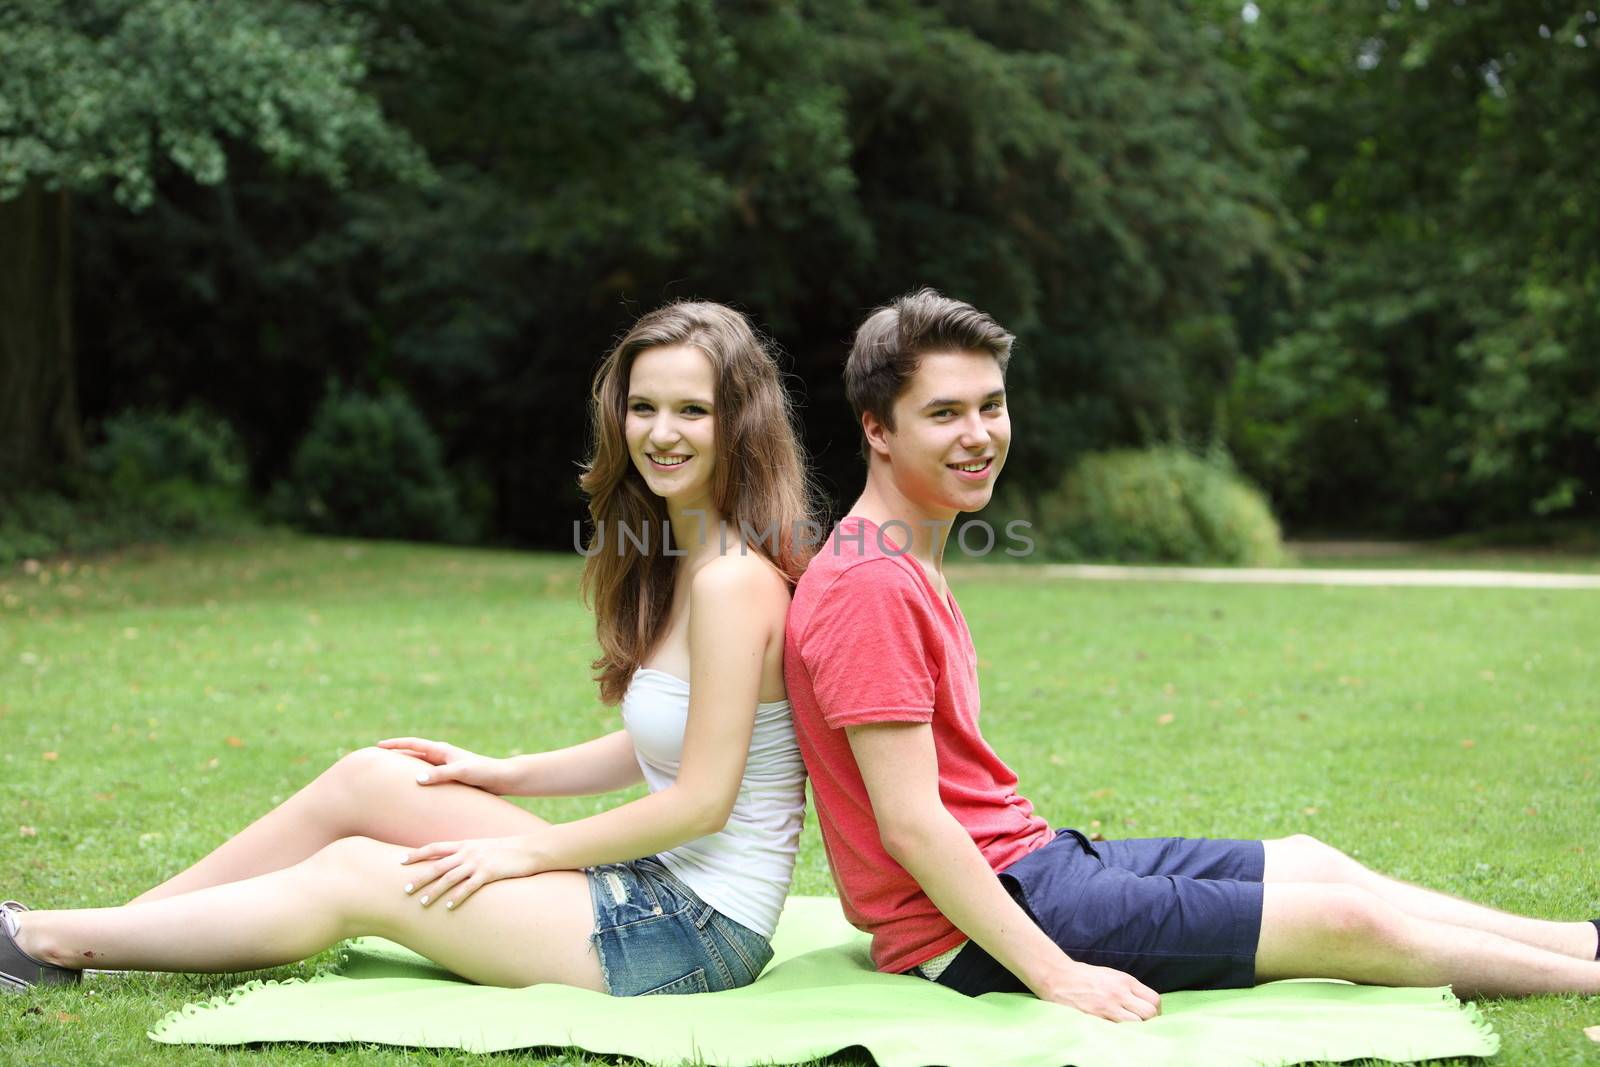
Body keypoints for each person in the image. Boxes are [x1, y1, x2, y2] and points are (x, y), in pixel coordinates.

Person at [782, 288, 1600, 1023]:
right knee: (1347, 924)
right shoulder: (870, 584)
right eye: (945, 413)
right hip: (971, 926)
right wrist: (1058, 974)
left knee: (1314, 861)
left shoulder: (897, 556)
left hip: (1032, 862)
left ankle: (1582, 939)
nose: (979, 435)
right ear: (877, 429)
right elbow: (913, 825)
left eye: (991, 406)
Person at [2, 301, 813, 998]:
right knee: (377, 776)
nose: (660, 433)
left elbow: (701, 801)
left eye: (691, 411)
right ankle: (101, 934)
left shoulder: (732, 583)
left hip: (691, 933)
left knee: (357, 873)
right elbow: (669, 736)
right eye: (644, 407)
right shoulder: (685, 558)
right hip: (647, 890)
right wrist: (504, 772)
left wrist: (521, 848)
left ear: (738, 421)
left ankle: (46, 942)